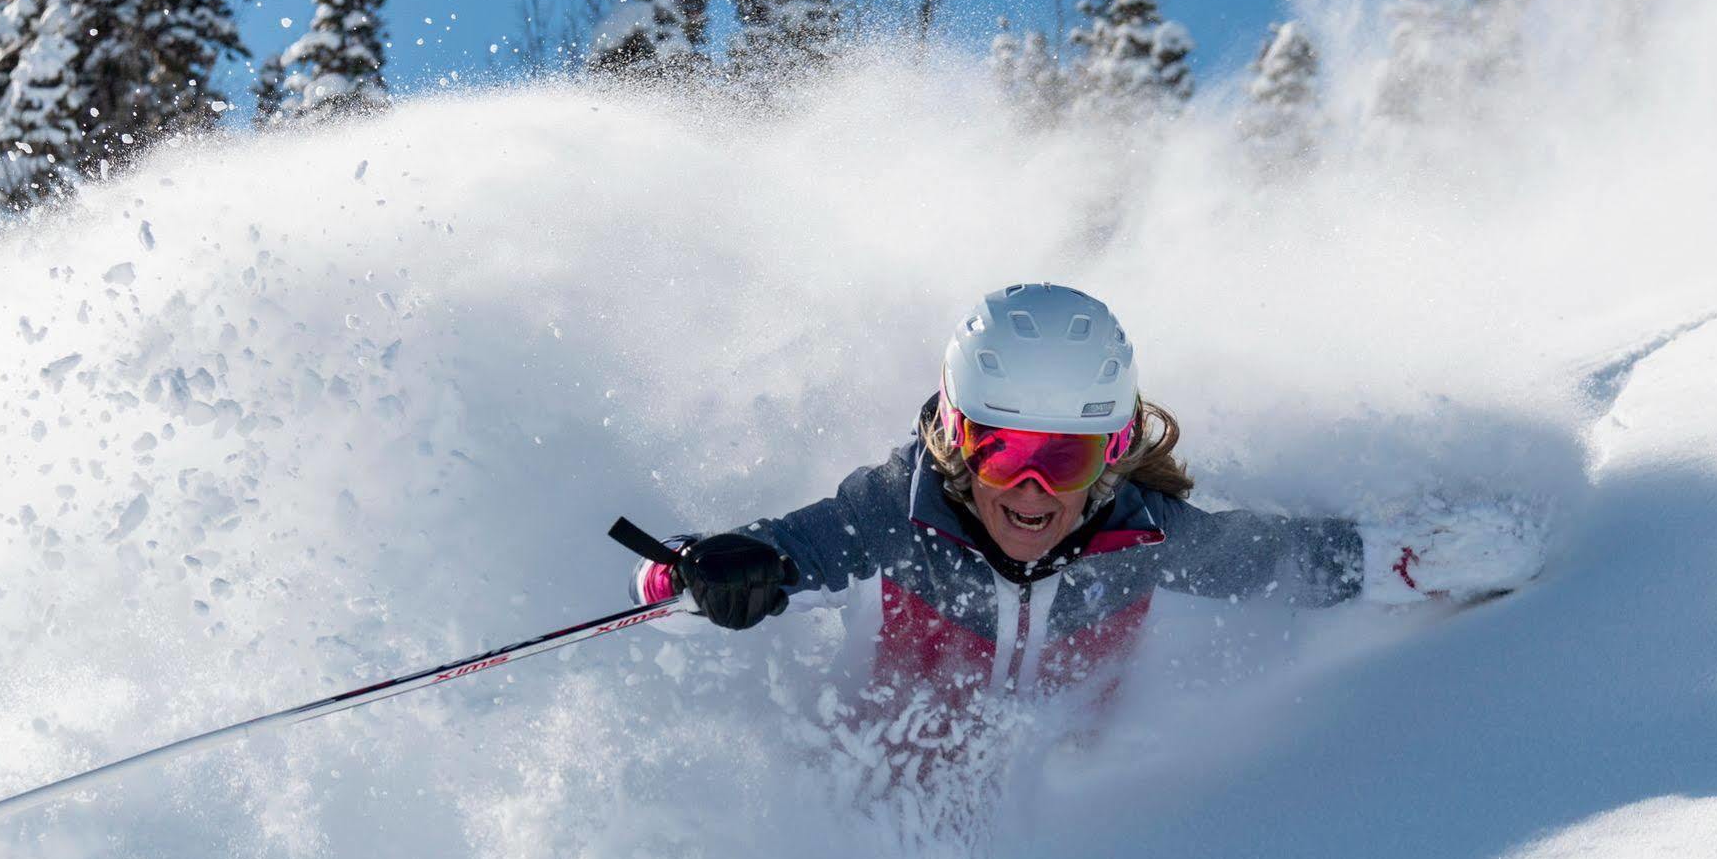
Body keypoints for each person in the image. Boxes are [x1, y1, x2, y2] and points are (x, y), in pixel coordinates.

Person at [632, 283, 1541, 710]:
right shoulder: (897, 511)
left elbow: (1281, 561)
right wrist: (698, 576)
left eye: (1063, 460)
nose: (1032, 491)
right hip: (897, 780)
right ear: (952, 437)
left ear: (1112, 455)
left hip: (1076, 834)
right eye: (1004, 452)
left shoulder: (1144, 538)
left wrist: (1417, 560)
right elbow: (778, 553)